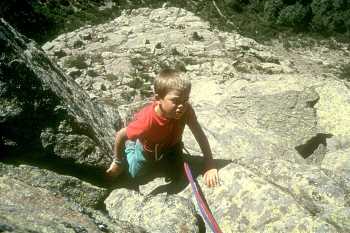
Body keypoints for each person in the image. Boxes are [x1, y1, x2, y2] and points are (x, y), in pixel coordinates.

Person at [106, 68, 219, 187]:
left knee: (176, 175)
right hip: (148, 151)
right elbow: (120, 135)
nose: (181, 106)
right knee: (135, 174)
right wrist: (117, 162)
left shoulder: (186, 111)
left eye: (185, 100)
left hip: (171, 147)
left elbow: (199, 134)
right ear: (158, 98)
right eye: (175, 100)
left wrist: (209, 163)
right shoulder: (147, 121)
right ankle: (131, 145)